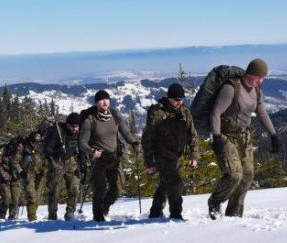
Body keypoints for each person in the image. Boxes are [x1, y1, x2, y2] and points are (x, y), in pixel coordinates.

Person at [208, 58, 281, 218]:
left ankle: (233, 214)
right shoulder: (231, 88)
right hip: (226, 135)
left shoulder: (257, 90)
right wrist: (217, 137)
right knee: (235, 174)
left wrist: (273, 134)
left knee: (247, 176)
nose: (261, 80)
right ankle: (215, 201)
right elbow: (216, 113)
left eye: (262, 78)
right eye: (259, 77)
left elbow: (261, 113)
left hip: (244, 136)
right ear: (251, 73)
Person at [79, 90, 140, 222]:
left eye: (107, 99)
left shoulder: (115, 115)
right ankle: (98, 217)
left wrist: (134, 143)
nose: (105, 102)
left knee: (118, 188)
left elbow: (125, 132)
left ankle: (105, 206)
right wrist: (92, 151)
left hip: (114, 157)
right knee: (100, 189)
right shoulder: (89, 120)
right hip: (98, 158)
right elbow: (82, 143)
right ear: (96, 103)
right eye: (101, 100)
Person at [142, 83, 199, 220]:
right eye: (176, 99)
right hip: (162, 156)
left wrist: (194, 155)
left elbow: (193, 135)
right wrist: (149, 162)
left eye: (181, 99)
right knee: (176, 184)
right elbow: (147, 139)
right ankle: (176, 215)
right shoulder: (157, 113)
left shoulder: (184, 111)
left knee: (165, 184)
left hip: (178, 155)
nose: (179, 102)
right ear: (168, 98)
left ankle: (155, 212)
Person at [43, 112, 81, 220]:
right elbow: (46, 149)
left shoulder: (78, 132)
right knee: (54, 191)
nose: (75, 129)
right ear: (68, 124)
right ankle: (52, 216)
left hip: (71, 162)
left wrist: (81, 163)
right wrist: (56, 152)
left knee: (74, 188)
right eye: (73, 126)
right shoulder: (57, 131)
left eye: (77, 126)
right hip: (56, 163)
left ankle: (70, 213)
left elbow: (80, 147)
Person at [0, 137, 22, 220]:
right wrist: (4, 174)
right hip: (4, 178)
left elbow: (22, 162)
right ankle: (2, 214)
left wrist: (22, 172)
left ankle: (12, 217)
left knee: (15, 199)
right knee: (7, 199)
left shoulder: (20, 150)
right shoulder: (2, 150)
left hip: (15, 177)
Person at [20, 132, 44, 221]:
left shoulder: (41, 147)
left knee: (37, 196)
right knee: (32, 196)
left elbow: (45, 158)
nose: (37, 144)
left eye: (39, 142)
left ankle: (33, 214)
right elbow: (15, 162)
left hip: (39, 174)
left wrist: (44, 169)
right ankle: (32, 218)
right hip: (27, 174)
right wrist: (21, 171)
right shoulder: (22, 148)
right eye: (35, 142)